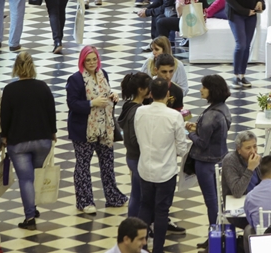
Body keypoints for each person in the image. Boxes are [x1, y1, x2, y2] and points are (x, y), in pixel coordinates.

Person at [65, 46, 129, 214]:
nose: (92, 63)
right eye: (88, 60)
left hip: (105, 128)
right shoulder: (76, 79)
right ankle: (85, 201)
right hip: (84, 130)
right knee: (83, 166)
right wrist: (91, 104)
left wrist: (112, 97)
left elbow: (105, 96)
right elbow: (72, 104)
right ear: (82, 61)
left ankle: (113, 197)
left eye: (94, 59)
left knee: (108, 164)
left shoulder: (103, 74)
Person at [0, 52, 56, 229]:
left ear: (16, 67)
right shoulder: (43, 87)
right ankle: (33, 206)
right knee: (35, 175)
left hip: (18, 142)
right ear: (33, 67)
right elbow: (51, 112)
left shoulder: (9, 90)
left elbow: (5, 117)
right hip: (42, 140)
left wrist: (4, 136)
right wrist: (53, 132)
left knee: (26, 179)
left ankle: (30, 217)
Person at [134, 77, 187, 253]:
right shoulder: (174, 116)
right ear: (168, 94)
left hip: (145, 169)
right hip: (165, 172)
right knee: (162, 211)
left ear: (150, 93)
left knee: (145, 206)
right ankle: (158, 249)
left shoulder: (140, 112)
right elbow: (182, 148)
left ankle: (141, 248)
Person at [224, 0, 265, 89]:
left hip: (251, 13)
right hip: (236, 14)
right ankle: (236, 76)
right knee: (240, 44)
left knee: (247, 45)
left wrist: (260, 2)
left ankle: (242, 75)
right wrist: (244, 11)